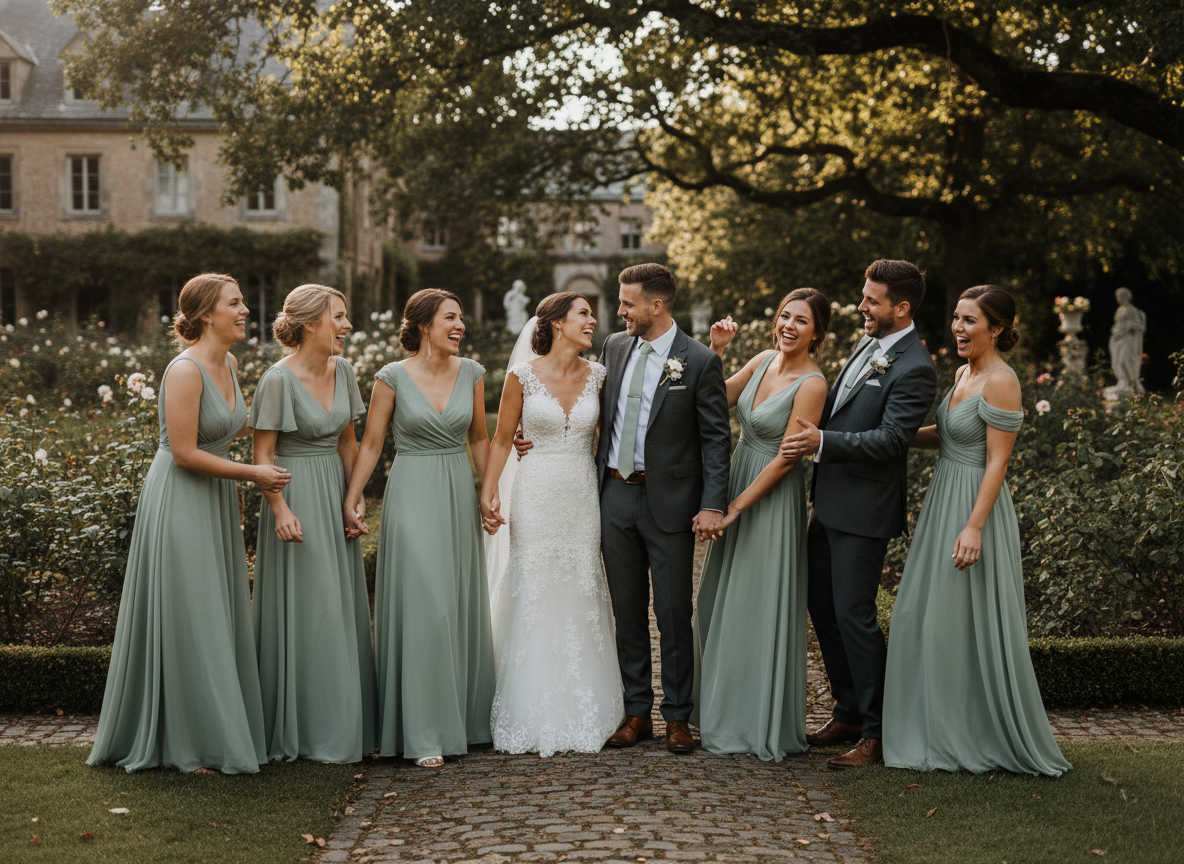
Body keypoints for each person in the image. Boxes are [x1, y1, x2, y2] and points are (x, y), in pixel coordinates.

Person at [517, 263, 731, 753]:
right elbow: (574, 404)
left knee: (673, 611)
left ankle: (677, 716)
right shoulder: (614, 348)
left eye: (628, 304)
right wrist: (527, 432)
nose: (619, 312)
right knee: (626, 608)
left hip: (670, 503)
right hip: (612, 496)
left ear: (656, 305)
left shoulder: (699, 361)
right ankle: (636, 712)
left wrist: (712, 504)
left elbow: (716, 439)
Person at [88, 274, 290, 773]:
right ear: (206, 315)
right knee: (192, 612)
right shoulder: (184, 370)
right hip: (180, 495)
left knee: (214, 609)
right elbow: (183, 453)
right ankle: (188, 741)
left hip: (215, 495)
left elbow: (233, 425)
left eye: (243, 302)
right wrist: (254, 473)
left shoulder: (231, 363)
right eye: (234, 303)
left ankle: (214, 730)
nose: (245, 311)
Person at [882, 285, 1071, 776]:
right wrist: (889, 436)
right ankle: (933, 726)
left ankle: (971, 733)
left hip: (974, 508)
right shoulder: (963, 373)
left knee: (958, 624)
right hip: (943, 500)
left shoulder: (1002, 381)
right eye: (956, 318)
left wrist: (973, 526)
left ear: (997, 328)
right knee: (926, 617)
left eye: (970, 320)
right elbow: (946, 436)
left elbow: (997, 462)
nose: (958, 328)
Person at [781, 259, 937, 769]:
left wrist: (823, 442)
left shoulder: (916, 367)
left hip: (865, 511)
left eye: (872, 300)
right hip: (829, 503)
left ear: (902, 308)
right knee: (822, 607)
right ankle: (847, 711)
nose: (861, 306)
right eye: (864, 296)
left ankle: (877, 732)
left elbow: (892, 440)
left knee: (855, 615)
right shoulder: (869, 344)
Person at [342, 289, 494, 768]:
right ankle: (424, 730)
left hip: (457, 492)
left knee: (456, 601)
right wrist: (353, 497)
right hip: (411, 491)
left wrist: (489, 492)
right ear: (424, 325)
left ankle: (466, 720)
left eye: (461, 317)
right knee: (427, 605)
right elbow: (371, 445)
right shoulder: (391, 378)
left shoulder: (472, 373)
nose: (460, 325)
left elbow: (479, 438)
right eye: (450, 317)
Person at [479, 293, 624, 756]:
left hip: (581, 492)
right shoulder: (522, 376)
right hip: (536, 490)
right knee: (536, 582)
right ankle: (529, 702)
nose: (592, 320)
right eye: (583, 313)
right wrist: (489, 490)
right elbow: (502, 439)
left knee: (580, 581)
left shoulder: (599, 375)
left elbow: (612, 436)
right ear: (557, 323)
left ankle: (585, 700)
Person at [691, 289, 829, 761]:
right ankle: (716, 708)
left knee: (754, 603)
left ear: (817, 332)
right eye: (785, 316)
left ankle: (752, 720)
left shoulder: (813, 383)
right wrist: (716, 350)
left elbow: (788, 459)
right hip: (739, 472)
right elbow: (713, 400)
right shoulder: (763, 359)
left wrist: (735, 506)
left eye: (801, 320)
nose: (789, 325)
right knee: (718, 599)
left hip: (769, 497)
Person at [250, 284, 377, 764]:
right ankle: (306, 729)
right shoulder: (277, 381)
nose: (347, 325)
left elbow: (348, 442)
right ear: (309, 324)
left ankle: (346, 720)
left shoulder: (344, 370)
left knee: (339, 604)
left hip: (334, 493)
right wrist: (280, 510)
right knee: (309, 607)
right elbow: (262, 456)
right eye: (338, 317)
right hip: (295, 493)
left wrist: (354, 496)